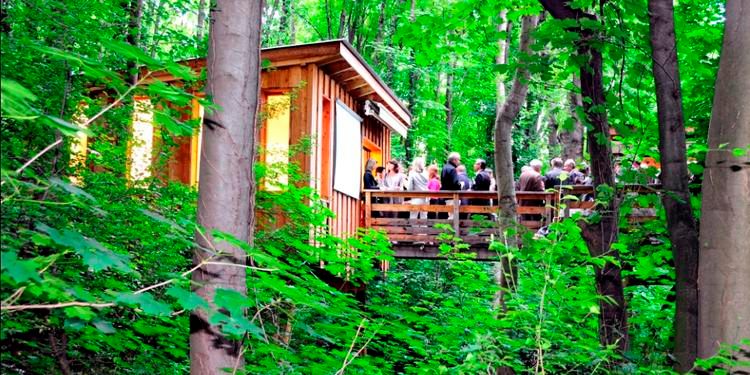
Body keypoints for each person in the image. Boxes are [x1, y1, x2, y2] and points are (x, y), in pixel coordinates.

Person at [440, 152, 461, 219]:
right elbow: (455, 183)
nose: (459, 162)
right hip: (452, 196)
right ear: (454, 160)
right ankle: (451, 229)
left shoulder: (445, 167)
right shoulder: (452, 169)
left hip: (445, 195)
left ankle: (448, 229)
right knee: (453, 216)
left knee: (450, 215)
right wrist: (460, 185)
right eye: (459, 160)